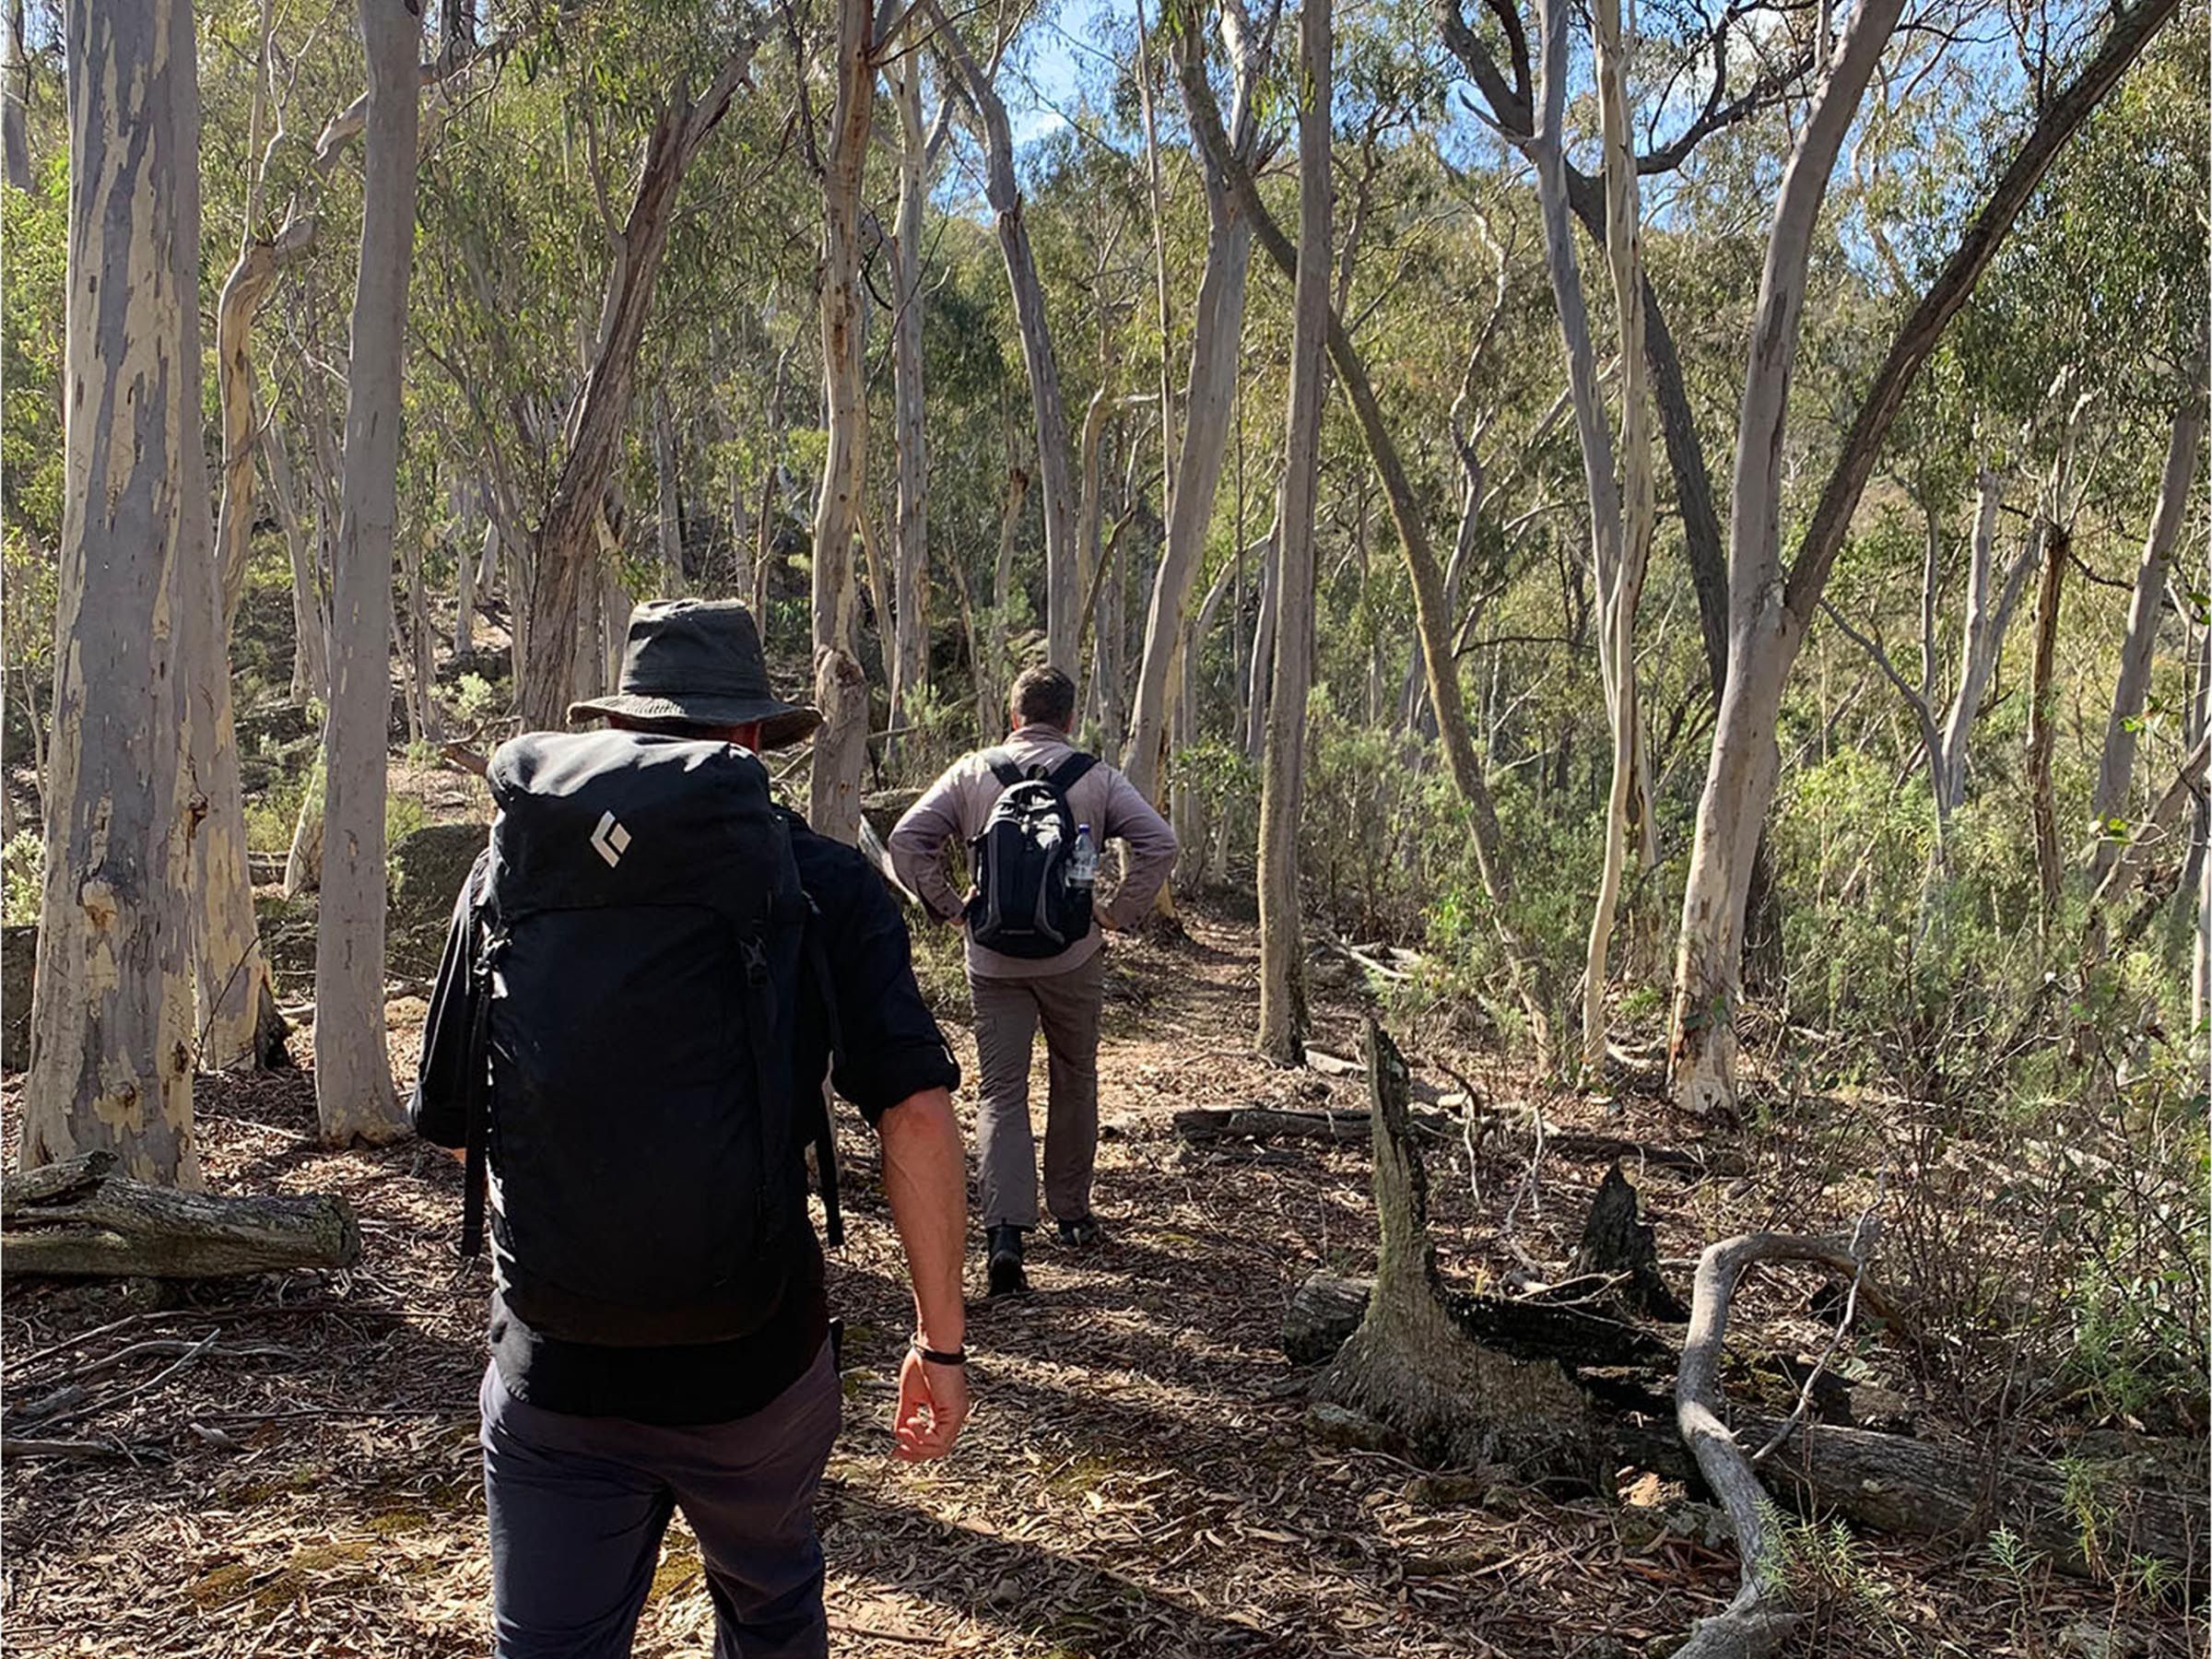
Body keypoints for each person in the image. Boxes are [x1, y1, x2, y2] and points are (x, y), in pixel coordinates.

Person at [411, 600, 970, 1659]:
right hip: (753, 1367)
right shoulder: (824, 882)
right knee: (768, 1611)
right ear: (754, 737)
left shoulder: (504, 877)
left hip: (553, 1371)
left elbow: (451, 1128)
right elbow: (916, 1114)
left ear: (619, 724)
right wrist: (939, 1345)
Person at [888, 665, 1176, 1297]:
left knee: (1000, 1093)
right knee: (1075, 1076)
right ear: (1068, 720)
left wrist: (950, 907)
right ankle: (1071, 1216)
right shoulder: (1094, 777)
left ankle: (1005, 1234)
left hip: (992, 960)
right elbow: (1159, 842)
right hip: (1074, 955)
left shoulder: (973, 772)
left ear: (1012, 716)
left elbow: (907, 839)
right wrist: (1117, 913)